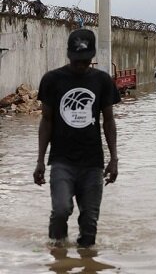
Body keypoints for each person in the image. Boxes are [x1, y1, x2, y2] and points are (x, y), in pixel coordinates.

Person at [33, 28, 120, 248]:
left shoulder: (102, 81)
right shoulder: (52, 80)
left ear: (92, 56)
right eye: (76, 60)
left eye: (85, 60)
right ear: (68, 55)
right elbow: (46, 121)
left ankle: (86, 261)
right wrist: (40, 160)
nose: (80, 65)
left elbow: (108, 121)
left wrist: (114, 158)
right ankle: (57, 252)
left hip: (93, 162)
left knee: (90, 223)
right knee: (61, 209)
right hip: (62, 160)